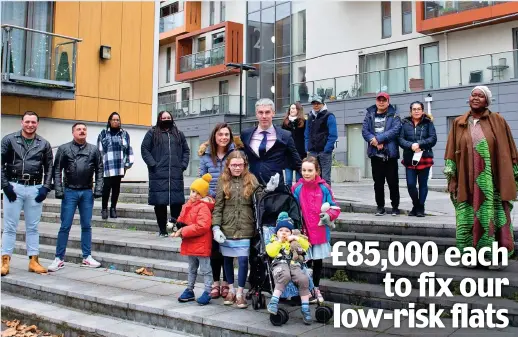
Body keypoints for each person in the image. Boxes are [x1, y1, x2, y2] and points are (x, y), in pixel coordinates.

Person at [444, 86, 516, 269]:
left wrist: (511, 177)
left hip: (492, 184)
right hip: (466, 182)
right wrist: (452, 178)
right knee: (467, 217)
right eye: (473, 95)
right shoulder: (459, 123)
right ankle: (470, 256)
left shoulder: (498, 121)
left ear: (487, 101)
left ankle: (495, 257)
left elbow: (510, 152)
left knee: (493, 216)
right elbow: (451, 153)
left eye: (480, 96)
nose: (475, 98)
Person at [212, 151, 279, 308]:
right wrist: (215, 227)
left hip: (245, 226)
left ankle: (241, 293)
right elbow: (218, 206)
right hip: (227, 226)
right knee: (227, 259)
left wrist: (268, 189)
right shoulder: (222, 181)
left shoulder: (251, 178)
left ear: (245, 165)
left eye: (240, 165)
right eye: (234, 165)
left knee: (243, 260)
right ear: (228, 165)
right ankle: (231, 290)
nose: (237, 168)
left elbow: (259, 198)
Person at [1, 111, 53, 276]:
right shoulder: (9, 140)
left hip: (34, 188)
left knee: (33, 227)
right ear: (21, 122)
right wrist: (5, 186)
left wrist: (45, 188)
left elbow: (50, 167)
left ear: (37, 124)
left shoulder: (44, 144)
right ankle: (5, 261)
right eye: (27, 122)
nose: (30, 125)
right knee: (9, 226)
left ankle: (34, 261)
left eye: (33, 122)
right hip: (14, 186)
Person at [48, 123, 103, 271]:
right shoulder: (64, 149)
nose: (82, 131)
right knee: (65, 225)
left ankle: (87, 257)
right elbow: (57, 170)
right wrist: (58, 190)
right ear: (73, 132)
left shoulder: (93, 150)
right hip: (70, 192)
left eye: (84, 129)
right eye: (79, 129)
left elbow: (99, 170)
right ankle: (59, 258)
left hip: (86, 192)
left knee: (87, 225)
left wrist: (98, 189)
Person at [292, 157, 340, 303]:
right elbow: (293, 208)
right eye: (304, 170)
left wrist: (328, 215)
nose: (306, 173)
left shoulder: (324, 187)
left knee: (317, 262)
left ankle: (316, 288)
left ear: (317, 171)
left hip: (319, 231)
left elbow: (334, 206)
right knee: (304, 263)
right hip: (303, 232)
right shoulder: (296, 188)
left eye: (310, 170)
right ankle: (305, 289)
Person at [198, 123, 237, 299]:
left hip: (229, 203)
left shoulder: (235, 154)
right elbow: (202, 181)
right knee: (213, 246)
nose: (223, 137)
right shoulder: (206, 156)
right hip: (211, 204)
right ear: (215, 136)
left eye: (226, 134)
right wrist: (206, 196)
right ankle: (215, 282)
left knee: (226, 245)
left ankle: (228, 282)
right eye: (220, 134)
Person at [141, 111, 190, 237]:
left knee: (176, 203)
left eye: (168, 117)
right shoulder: (152, 133)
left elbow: (186, 150)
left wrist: (182, 165)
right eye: (164, 118)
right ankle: (162, 229)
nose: (166, 119)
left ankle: (173, 228)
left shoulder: (179, 134)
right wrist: (153, 164)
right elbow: (144, 149)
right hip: (158, 174)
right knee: (160, 203)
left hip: (175, 174)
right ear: (159, 119)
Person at [172, 173, 215, 305]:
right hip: (190, 243)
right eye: (192, 191)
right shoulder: (187, 205)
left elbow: (202, 226)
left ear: (203, 194)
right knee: (191, 268)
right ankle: (189, 289)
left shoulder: (203, 207)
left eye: (198, 193)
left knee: (205, 269)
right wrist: (176, 224)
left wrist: (183, 230)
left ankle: (208, 291)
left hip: (201, 244)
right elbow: (182, 219)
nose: (194, 195)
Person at [240, 98, 302, 186]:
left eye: (267, 112)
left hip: (276, 190)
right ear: (256, 114)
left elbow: (297, 161)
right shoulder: (246, 134)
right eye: (260, 112)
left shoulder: (285, 135)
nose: (264, 116)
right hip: (252, 187)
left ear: (273, 113)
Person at [266, 212, 312, 325]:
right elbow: (271, 252)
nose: (284, 233)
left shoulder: (293, 241)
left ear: (291, 232)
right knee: (285, 275)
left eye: (287, 231)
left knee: (303, 279)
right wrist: (279, 242)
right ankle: (273, 301)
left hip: (294, 264)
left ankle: (305, 308)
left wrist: (295, 237)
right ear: (276, 232)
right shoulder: (273, 241)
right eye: (281, 231)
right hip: (280, 264)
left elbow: (306, 245)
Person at [361, 92, 402, 216]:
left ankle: (395, 207)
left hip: (390, 155)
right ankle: (380, 207)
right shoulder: (369, 115)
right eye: (379, 100)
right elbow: (365, 131)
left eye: (384, 100)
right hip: (375, 155)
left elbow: (395, 130)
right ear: (376, 101)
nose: (381, 102)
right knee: (378, 183)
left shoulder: (394, 115)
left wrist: (379, 139)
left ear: (388, 102)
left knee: (393, 182)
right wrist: (374, 141)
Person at [398, 101, 437, 217]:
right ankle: (416, 205)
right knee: (410, 184)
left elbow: (433, 139)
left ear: (422, 111)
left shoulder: (428, 123)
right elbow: (400, 139)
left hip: (424, 157)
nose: (416, 111)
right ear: (410, 111)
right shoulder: (404, 123)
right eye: (414, 109)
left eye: (418, 109)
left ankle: (420, 207)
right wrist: (411, 146)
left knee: (423, 184)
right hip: (410, 158)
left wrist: (419, 144)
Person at [97, 112, 134, 220]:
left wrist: (127, 164)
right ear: (109, 121)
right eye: (113, 119)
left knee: (116, 188)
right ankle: (104, 209)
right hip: (107, 165)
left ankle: (113, 208)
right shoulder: (103, 133)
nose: (116, 121)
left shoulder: (124, 134)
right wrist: (100, 165)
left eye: (117, 120)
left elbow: (128, 150)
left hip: (119, 165)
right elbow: (99, 150)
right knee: (106, 187)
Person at [305, 96, 338, 186]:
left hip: (325, 152)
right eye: (314, 104)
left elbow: (333, 135)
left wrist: (327, 149)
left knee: (325, 178)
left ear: (323, 104)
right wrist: (307, 147)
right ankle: (314, 197)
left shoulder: (329, 116)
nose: (316, 105)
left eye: (318, 103)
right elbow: (307, 134)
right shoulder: (310, 117)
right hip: (312, 152)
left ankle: (326, 198)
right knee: (313, 177)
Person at [282, 102, 306, 186]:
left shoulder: (303, 122)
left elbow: (305, 137)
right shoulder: (285, 123)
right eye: (290, 108)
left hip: (300, 154)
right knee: (288, 180)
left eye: (293, 108)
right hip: (288, 155)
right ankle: (289, 197)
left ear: (298, 110)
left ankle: (298, 197)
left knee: (299, 180)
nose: (291, 110)